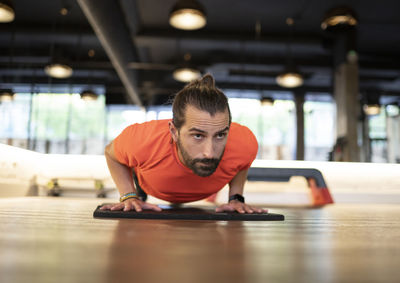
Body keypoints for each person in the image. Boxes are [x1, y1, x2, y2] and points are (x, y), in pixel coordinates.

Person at [100, 74, 266, 214]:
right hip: (148, 183)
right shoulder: (141, 139)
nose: (210, 153)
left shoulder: (244, 141)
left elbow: (242, 162)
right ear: (173, 131)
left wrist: (236, 198)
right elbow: (111, 154)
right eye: (198, 136)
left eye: (220, 135)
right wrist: (128, 196)